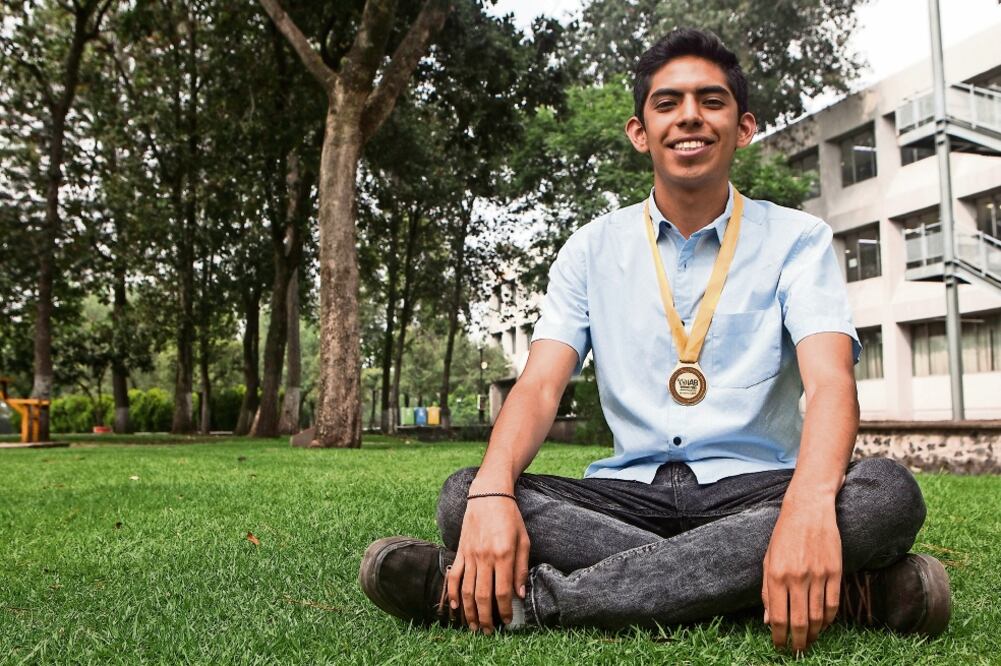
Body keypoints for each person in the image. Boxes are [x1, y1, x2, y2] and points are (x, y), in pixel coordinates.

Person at [358, 28, 951, 654]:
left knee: (885, 494)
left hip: (757, 491)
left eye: (711, 100)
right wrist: (493, 492)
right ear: (640, 132)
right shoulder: (591, 249)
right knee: (467, 493)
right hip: (625, 497)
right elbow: (537, 386)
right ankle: (834, 592)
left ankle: (528, 601)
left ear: (743, 126)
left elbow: (831, 381)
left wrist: (806, 509)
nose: (689, 116)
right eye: (667, 103)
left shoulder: (797, 241)